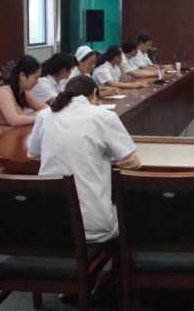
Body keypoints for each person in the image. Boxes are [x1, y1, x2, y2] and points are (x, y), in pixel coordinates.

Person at [27, 75, 142, 243]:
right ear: (94, 93)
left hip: (49, 224)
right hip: (93, 227)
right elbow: (132, 162)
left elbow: (33, 154)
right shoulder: (103, 116)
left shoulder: (44, 115)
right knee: (133, 212)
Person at [0, 55, 48, 145]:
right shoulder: (3, 92)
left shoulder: (23, 92)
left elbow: (45, 107)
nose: (37, 82)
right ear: (22, 76)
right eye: (36, 78)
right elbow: (14, 119)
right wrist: (37, 117)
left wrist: (37, 115)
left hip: (11, 134)